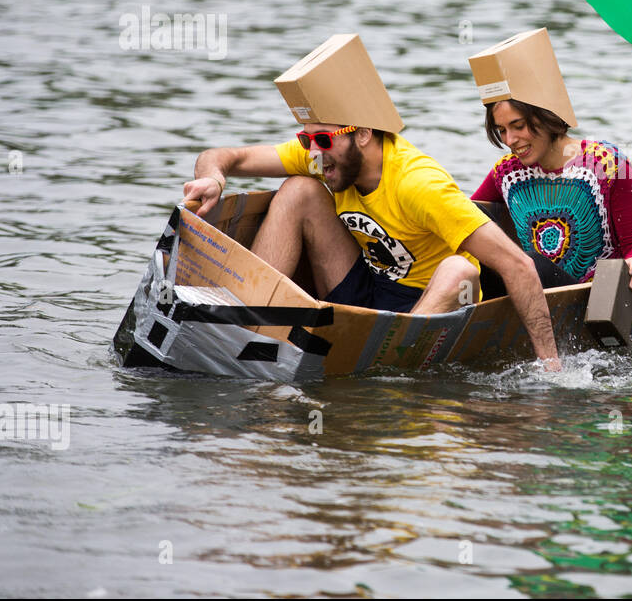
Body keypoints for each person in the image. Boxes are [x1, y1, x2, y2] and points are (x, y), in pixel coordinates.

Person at [182, 33, 560, 367]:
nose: (314, 150)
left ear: (362, 133)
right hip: (368, 289)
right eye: (306, 139)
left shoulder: (418, 183)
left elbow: (517, 265)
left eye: (324, 140)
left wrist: (551, 368)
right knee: (300, 189)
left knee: (460, 270)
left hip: (426, 305)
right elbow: (225, 156)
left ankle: (387, 364)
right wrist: (212, 178)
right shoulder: (323, 155)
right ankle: (247, 328)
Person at [467, 29, 632, 291]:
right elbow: (468, 216)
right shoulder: (506, 173)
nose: (510, 140)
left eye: (518, 126)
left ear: (543, 115)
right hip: (533, 288)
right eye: (502, 130)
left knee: (526, 262)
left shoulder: (607, 164)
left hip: (594, 295)